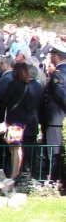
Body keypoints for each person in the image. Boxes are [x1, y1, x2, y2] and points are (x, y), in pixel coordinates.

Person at [2, 63, 40, 179]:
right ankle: (16, 173)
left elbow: (4, 100)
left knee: (14, 148)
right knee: (17, 148)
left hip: (14, 121)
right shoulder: (28, 85)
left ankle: (13, 175)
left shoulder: (13, 85)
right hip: (23, 121)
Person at [39, 43, 66, 189]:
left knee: (52, 150)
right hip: (57, 119)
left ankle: (53, 179)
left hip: (54, 119)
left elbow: (61, 96)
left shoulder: (58, 73)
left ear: (56, 56)